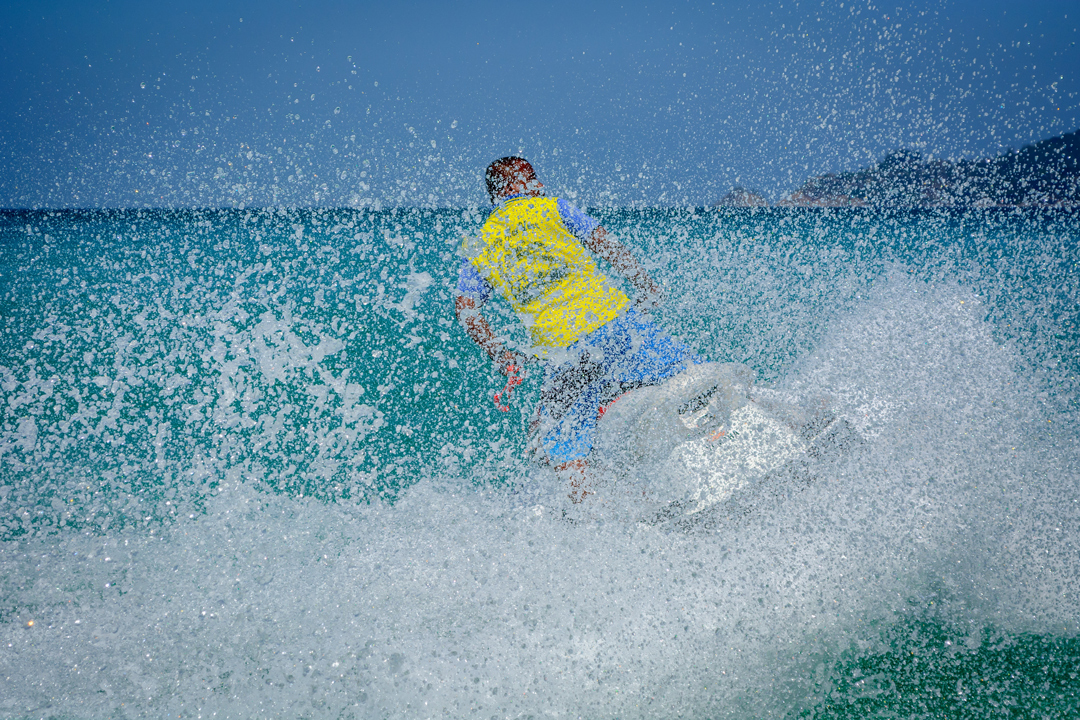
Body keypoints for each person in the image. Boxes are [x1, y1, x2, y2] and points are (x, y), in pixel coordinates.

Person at [454, 157, 704, 502]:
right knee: (691, 375)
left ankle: (587, 516)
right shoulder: (555, 209)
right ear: (513, 189)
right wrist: (643, 283)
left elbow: (466, 309)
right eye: (531, 180)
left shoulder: (482, 243)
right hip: (617, 324)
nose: (539, 186)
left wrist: (500, 352)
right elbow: (606, 244)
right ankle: (734, 433)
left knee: (557, 441)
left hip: (566, 351)